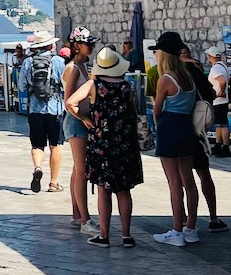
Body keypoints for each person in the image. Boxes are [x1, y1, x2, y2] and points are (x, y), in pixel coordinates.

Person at [67, 46, 144, 247]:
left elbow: (70, 103)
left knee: (103, 189)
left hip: (102, 142)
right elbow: (133, 113)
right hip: (125, 143)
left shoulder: (94, 84)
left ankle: (104, 235)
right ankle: (126, 236)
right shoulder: (127, 87)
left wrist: (84, 118)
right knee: (124, 190)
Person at [151, 30, 201, 246]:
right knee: (188, 181)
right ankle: (191, 227)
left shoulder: (165, 79)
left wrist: (157, 122)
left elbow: (157, 109)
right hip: (186, 128)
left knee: (174, 184)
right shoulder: (188, 77)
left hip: (169, 127)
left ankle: (176, 230)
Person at [181, 45, 231, 233]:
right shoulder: (197, 72)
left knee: (181, 179)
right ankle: (213, 217)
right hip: (197, 131)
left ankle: (185, 222)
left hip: (180, 130)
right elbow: (210, 94)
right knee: (203, 175)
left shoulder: (171, 74)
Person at [61, 27, 97, 229]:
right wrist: (83, 117)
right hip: (77, 121)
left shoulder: (82, 66)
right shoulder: (74, 68)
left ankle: (77, 214)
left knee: (78, 170)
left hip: (82, 120)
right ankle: (85, 219)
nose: (91, 46)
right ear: (77, 46)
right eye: (88, 43)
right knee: (82, 171)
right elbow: (68, 100)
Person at [21, 35, 65, 193]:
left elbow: (22, 86)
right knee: (55, 145)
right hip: (55, 109)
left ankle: (38, 167)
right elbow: (65, 84)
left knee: (37, 144)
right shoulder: (59, 62)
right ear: (49, 46)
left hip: (35, 109)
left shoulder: (28, 62)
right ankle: (53, 183)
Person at [206, 45, 231, 159]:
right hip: (223, 100)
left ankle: (225, 147)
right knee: (219, 124)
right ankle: (218, 144)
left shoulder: (215, 68)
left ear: (210, 57)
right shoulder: (223, 66)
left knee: (223, 124)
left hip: (218, 99)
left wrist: (220, 91)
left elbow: (221, 80)